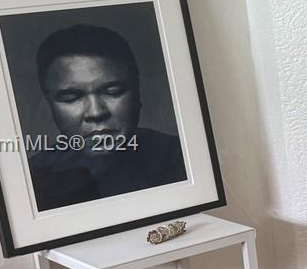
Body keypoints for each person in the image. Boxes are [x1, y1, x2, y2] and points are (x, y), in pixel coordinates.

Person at [27, 23, 187, 211]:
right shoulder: (34, 179)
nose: (96, 112)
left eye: (112, 92)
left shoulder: (181, 158)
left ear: (138, 93)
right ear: (49, 107)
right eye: (72, 98)